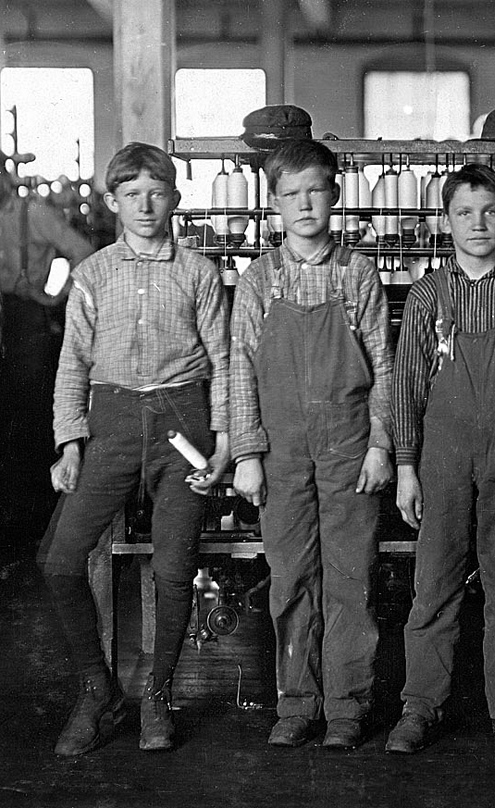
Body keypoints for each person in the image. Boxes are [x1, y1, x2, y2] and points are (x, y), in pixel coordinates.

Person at [38, 142, 230, 756]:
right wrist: (70, 444)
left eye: (156, 193)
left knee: (173, 569)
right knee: (60, 560)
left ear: (174, 198)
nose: (145, 206)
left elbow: (224, 363)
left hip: (184, 427)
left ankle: (156, 695)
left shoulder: (198, 273)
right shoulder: (93, 274)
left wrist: (226, 445)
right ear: (113, 202)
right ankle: (99, 692)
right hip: (112, 424)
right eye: (131, 195)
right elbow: (73, 364)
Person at [386, 163, 495, 754]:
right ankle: (420, 706)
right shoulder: (427, 295)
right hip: (442, 453)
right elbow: (407, 385)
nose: (478, 223)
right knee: (434, 580)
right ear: (446, 221)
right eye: (465, 212)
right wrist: (406, 466)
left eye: (489, 211)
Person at [230, 139, 394, 751]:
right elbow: (239, 371)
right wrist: (247, 454)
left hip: (348, 443)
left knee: (351, 576)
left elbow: (385, 368)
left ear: (335, 195)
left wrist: (380, 444)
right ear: (275, 203)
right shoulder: (259, 280)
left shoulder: (358, 273)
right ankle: (297, 702)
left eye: (315, 191)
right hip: (281, 448)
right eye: (291, 194)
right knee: (291, 576)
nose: (304, 204)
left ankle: (347, 705)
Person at [0, 168, 94, 563]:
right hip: (5, 317)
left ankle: (32, 523)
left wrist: (57, 295)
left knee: (30, 419)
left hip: (27, 319)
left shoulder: (33, 212)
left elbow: (83, 251)